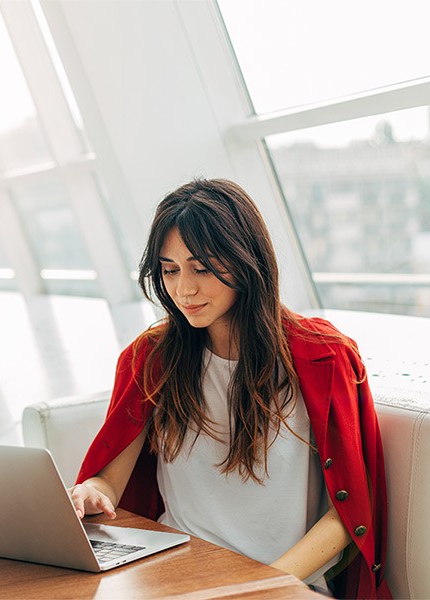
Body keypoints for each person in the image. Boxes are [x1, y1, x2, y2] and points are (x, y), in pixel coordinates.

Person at [69, 179, 391, 599]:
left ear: (246, 261)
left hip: (282, 583)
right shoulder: (151, 359)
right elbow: (108, 482)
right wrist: (90, 493)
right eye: (169, 270)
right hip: (173, 575)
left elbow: (347, 519)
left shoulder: (324, 359)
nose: (184, 289)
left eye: (201, 268)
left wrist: (257, 586)